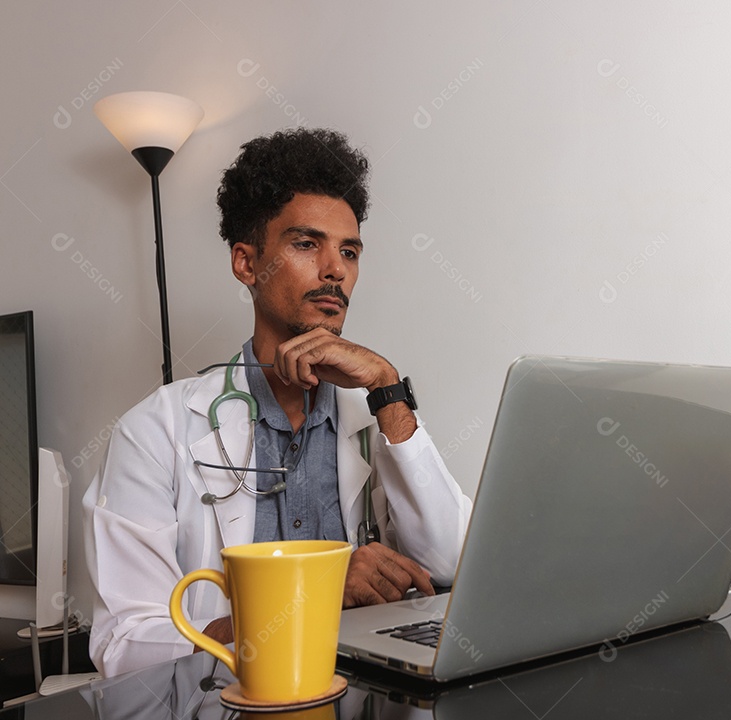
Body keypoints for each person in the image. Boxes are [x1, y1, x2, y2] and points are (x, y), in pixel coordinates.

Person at [83, 127, 472, 677]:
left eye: (349, 251)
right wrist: (310, 594)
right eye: (306, 244)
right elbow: (125, 644)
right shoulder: (155, 432)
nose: (335, 269)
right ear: (247, 264)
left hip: (362, 696)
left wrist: (386, 388)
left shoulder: (374, 417)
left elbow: (454, 562)